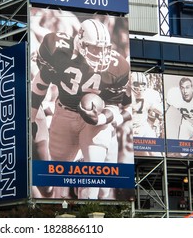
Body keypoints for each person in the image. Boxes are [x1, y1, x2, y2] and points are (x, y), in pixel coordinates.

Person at [31, 18, 131, 200]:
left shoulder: (119, 66)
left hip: (95, 119)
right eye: (95, 48)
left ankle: (89, 212)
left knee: (93, 173)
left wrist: (98, 119)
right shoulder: (57, 49)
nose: (100, 54)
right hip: (64, 113)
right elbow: (40, 83)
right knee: (59, 175)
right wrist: (30, 119)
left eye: (104, 49)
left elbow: (115, 106)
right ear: (81, 43)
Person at [131, 72, 164, 156]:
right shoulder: (125, 93)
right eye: (136, 84)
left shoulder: (149, 94)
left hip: (142, 126)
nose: (140, 87)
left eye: (142, 84)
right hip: (128, 129)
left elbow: (161, 111)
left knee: (156, 154)